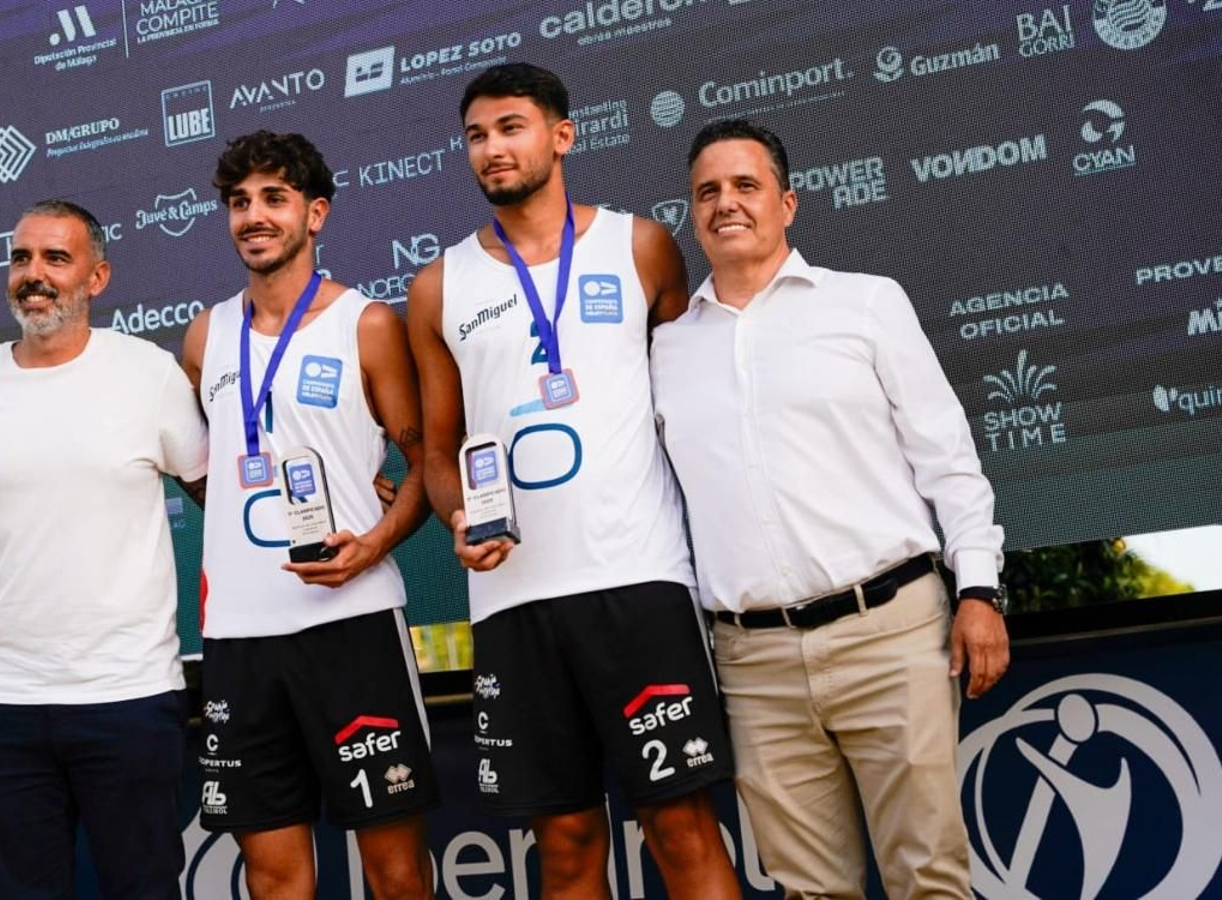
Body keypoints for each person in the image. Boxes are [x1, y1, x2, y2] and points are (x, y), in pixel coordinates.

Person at [651, 119, 1011, 899]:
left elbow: (948, 461)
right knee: (812, 892)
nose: (725, 203)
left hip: (892, 633)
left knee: (929, 879)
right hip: (754, 666)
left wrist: (979, 591)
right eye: (707, 191)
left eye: (745, 185)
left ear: (788, 203)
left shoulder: (868, 305)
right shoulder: (665, 351)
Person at [406, 63, 740, 899]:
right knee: (562, 845)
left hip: (639, 582)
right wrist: (454, 518)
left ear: (562, 135)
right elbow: (438, 453)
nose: (492, 149)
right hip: (514, 604)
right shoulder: (438, 285)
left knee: (682, 829)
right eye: (477, 135)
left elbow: (692, 400)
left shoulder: (641, 246)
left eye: (511, 127)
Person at [0, 199, 208, 898]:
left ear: (98, 276)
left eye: (56, 257)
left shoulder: (150, 375)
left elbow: (225, 501)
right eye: (21, 257)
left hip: (130, 698)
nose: (34, 274)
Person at [181, 130, 438, 900]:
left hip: (351, 622)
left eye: (273, 198)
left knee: (394, 870)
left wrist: (374, 543)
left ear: (315, 213)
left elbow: (428, 460)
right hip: (238, 636)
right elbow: (210, 472)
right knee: (273, 874)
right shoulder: (204, 336)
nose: (253, 216)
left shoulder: (367, 324)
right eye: (238, 202)